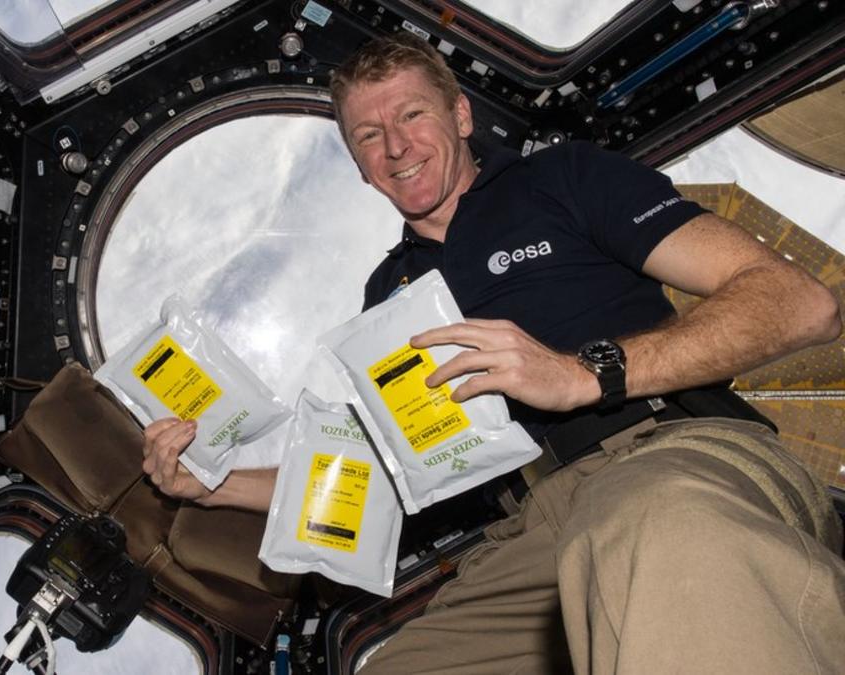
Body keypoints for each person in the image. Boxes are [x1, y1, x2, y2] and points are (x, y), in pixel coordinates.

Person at [141, 32, 845, 673]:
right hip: (528, 532)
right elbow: (374, 474)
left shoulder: (562, 179)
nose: (396, 146)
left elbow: (799, 304)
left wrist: (583, 373)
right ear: (360, 168)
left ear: (461, 117)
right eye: (369, 135)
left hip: (669, 457)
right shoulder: (386, 296)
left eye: (412, 115)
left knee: (658, 526)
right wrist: (214, 484)